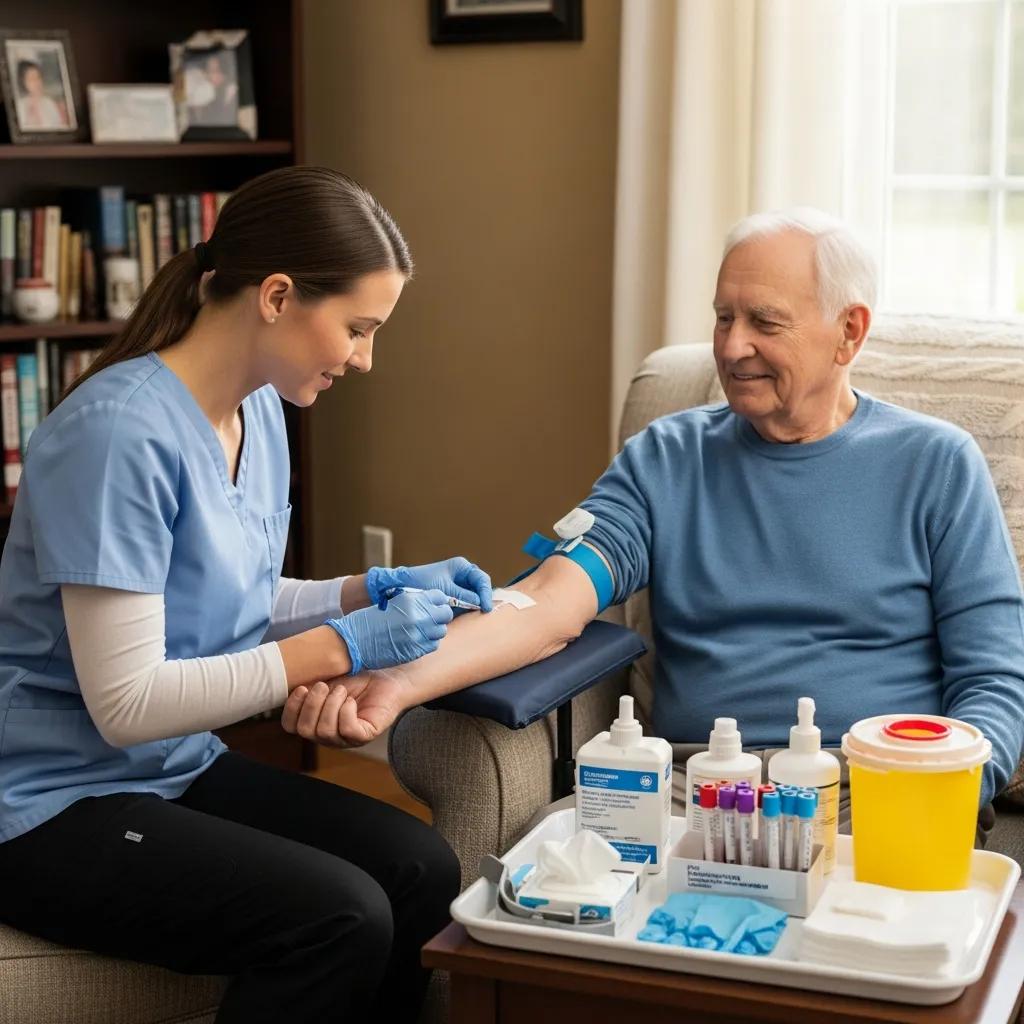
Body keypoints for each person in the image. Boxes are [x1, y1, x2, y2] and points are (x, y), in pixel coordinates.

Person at [286, 207, 1024, 839]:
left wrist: (950, 793)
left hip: (878, 797)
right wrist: (397, 681)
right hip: (692, 792)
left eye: (764, 322)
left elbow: (993, 678)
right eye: (723, 317)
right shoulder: (667, 459)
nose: (732, 348)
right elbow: (548, 600)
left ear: (848, 333)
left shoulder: (935, 464)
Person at [0, 165, 494, 1023]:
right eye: (358, 328)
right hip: (47, 801)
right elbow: (127, 701)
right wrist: (348, 643)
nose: (365, 358)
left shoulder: (258, 410)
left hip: (170, 768)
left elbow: (234, 596)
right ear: (276, 297)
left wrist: (359, 592)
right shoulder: (118, 437)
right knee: (338, 916)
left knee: (420, 867)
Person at [14, 58, 69, 130]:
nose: (37, 82)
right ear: (23, 82)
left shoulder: (49, 103)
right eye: (31, 78)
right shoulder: (19, 106)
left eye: (38, 77)